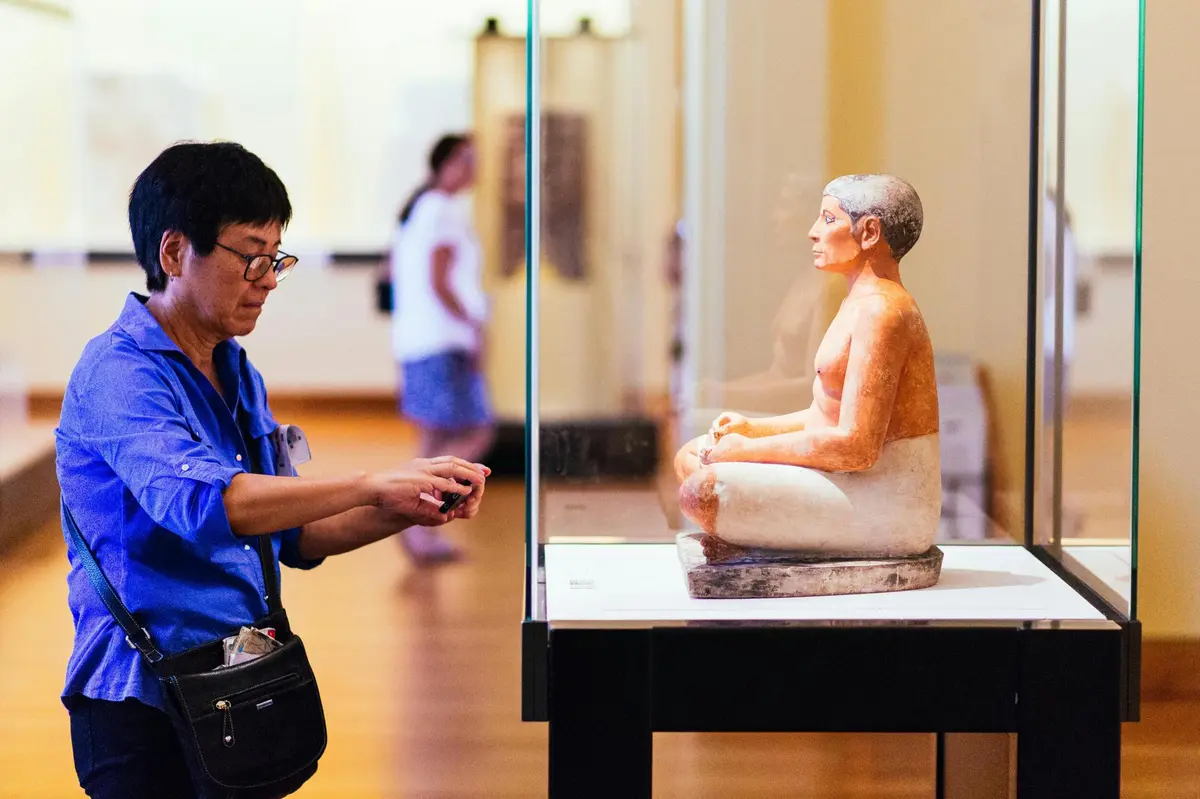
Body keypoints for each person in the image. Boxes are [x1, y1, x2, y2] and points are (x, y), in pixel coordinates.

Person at [56, 141, 490, 798]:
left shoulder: (234, 367)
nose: (266, 278)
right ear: (174, 253)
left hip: (237, 678)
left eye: (275, 257)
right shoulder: (117, 373)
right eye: (250, 256)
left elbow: (295, 533)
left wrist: (410, 503)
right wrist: (372, 480)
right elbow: (205, 507)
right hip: (141, 700)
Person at [673, 174, 941, 559]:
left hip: (887, 496)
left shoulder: (885, 311)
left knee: (703, 492)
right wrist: (753, 428)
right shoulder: (860, 301)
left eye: (828, 220)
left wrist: (750, 449)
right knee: (691, 456)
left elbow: (857, 448)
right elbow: (825, 415)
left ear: (868, 233)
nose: (813, 233)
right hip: (853, 476)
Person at [389, 133, 495, 563]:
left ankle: (416, 525)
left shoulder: (423, 208)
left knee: (435, 440)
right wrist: (474, 327)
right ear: (450, 162)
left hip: (422, 340)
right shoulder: (443, 210)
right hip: (443, 340)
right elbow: (441, 279)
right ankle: (409, 511)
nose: (475, 168)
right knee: (473, 432)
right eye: (469, 159)